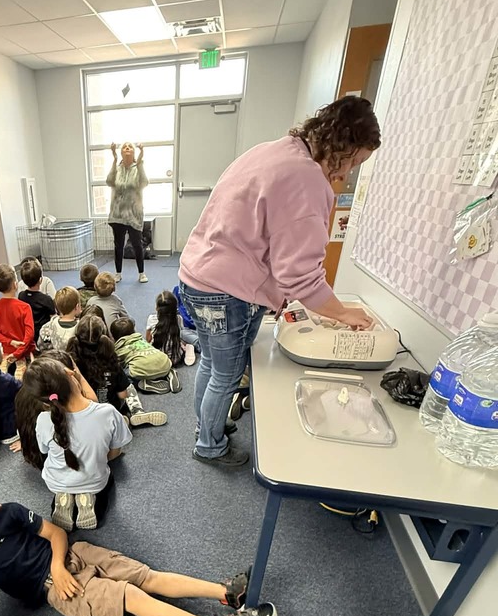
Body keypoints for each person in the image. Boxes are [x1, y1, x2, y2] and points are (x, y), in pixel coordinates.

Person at [179, 95, 381, 468]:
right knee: (226, 374)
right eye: (354, 161)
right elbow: (300, 274)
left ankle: (206, 428)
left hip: (197, 275)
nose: (349, 172)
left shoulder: (272, 150)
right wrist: (342, 313)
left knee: (212, 364)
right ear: (343, 146)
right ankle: (209, 445)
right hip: (227, 290)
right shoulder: (305, 177)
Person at [0, 472, 278, 616]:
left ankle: (226, 593)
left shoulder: (11, 512)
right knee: (130, 596)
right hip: (56, 589)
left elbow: (56, 533)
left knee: (146, 577)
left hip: (71, 555)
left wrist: (58, 564)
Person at [23, 356, 131, 531]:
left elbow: (43, 450)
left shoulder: (43, 420)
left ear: (44, 400)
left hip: (56, 482)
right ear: (70, 374)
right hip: (95, 482)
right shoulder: (108, 413)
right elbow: (114, 453)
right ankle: (88, 498)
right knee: (108, 478)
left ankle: (63, 497)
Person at [67, 315, 166, 427]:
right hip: (112, 407)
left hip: (86, 410)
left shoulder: (72, 363)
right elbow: (123, 395)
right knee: (128, 387)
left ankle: (109, 421)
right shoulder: (111, 361)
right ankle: (135, 411)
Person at [107, 142, 149, 283]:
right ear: (121, 152)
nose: (127, 148)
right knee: (118, 245)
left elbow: (144, 182)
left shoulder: (137, 168)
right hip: (118, 214)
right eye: (124, 146)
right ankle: (118, 273)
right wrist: (114, 159)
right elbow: (109, 181)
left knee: (137, 244)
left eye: (130, 146)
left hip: (133, 215)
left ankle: (141, 273)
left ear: (134, 152)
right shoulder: (117, 168)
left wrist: (140, 161)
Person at [110, 317, 180, 395]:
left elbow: (117, 364)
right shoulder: (141, 339)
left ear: (113, 336)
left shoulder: (119, 349)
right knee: (153, 363)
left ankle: (143, 383)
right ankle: (169, 373)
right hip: (165, 362)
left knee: (121, 373)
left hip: (144, 370)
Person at [0, 264, 35, 380]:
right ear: (15, 284)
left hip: (6, 353)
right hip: (24, 352)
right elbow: (29, 335)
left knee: (5, 379)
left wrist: (10, 342)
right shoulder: (24, 307)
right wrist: (18, 352)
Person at [145, 290, 199, 367]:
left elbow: (148, 339)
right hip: (175, 358)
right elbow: (178, 336)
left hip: (158, 359)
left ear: (157, 308)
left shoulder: (151, 319)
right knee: (180, 338)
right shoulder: (178, 318)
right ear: (175, 307)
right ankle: (187, 349)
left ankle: (185, 347)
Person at [18, 257, 56, 342]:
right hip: (43, 335)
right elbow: (53, 319)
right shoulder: (46, 299)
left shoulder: (21, 296)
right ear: (40, 280)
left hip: (28, 332)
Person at [38, 286, 81, 352]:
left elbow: (41, 347)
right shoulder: (82, 329)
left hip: (53, 358)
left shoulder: (46, 328)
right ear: (77, 306)